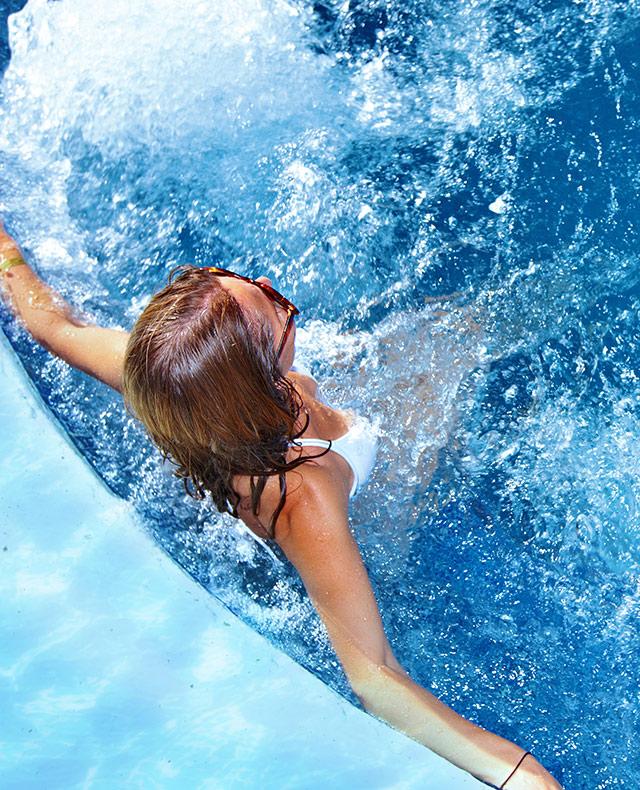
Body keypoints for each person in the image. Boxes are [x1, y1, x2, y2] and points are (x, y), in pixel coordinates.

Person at [0, 220, 561, 790]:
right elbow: (373, 677)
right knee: (456, 357)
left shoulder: (168, 380)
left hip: (307, 435)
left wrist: (5, 253)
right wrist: (519, 773)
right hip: (364, 511)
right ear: (263, 382)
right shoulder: (306, 494)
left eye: (249, 285)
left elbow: (52, 322)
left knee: (460, 326)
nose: (271, 284)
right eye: (279, 311)